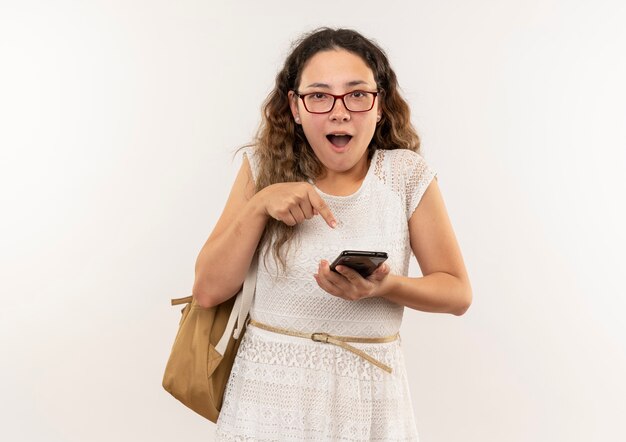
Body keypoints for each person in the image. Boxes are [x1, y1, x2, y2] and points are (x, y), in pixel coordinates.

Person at [192, 27, 472, 441]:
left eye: (357, 94)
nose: (339, 111)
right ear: (295, 107)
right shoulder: (261, 167)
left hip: (369, 400)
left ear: (379, 106)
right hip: (269, 396)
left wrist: (383, 287)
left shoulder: (405, 175)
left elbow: (457, 293)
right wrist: (259, 205)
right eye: (319, 95)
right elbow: (208, 291)